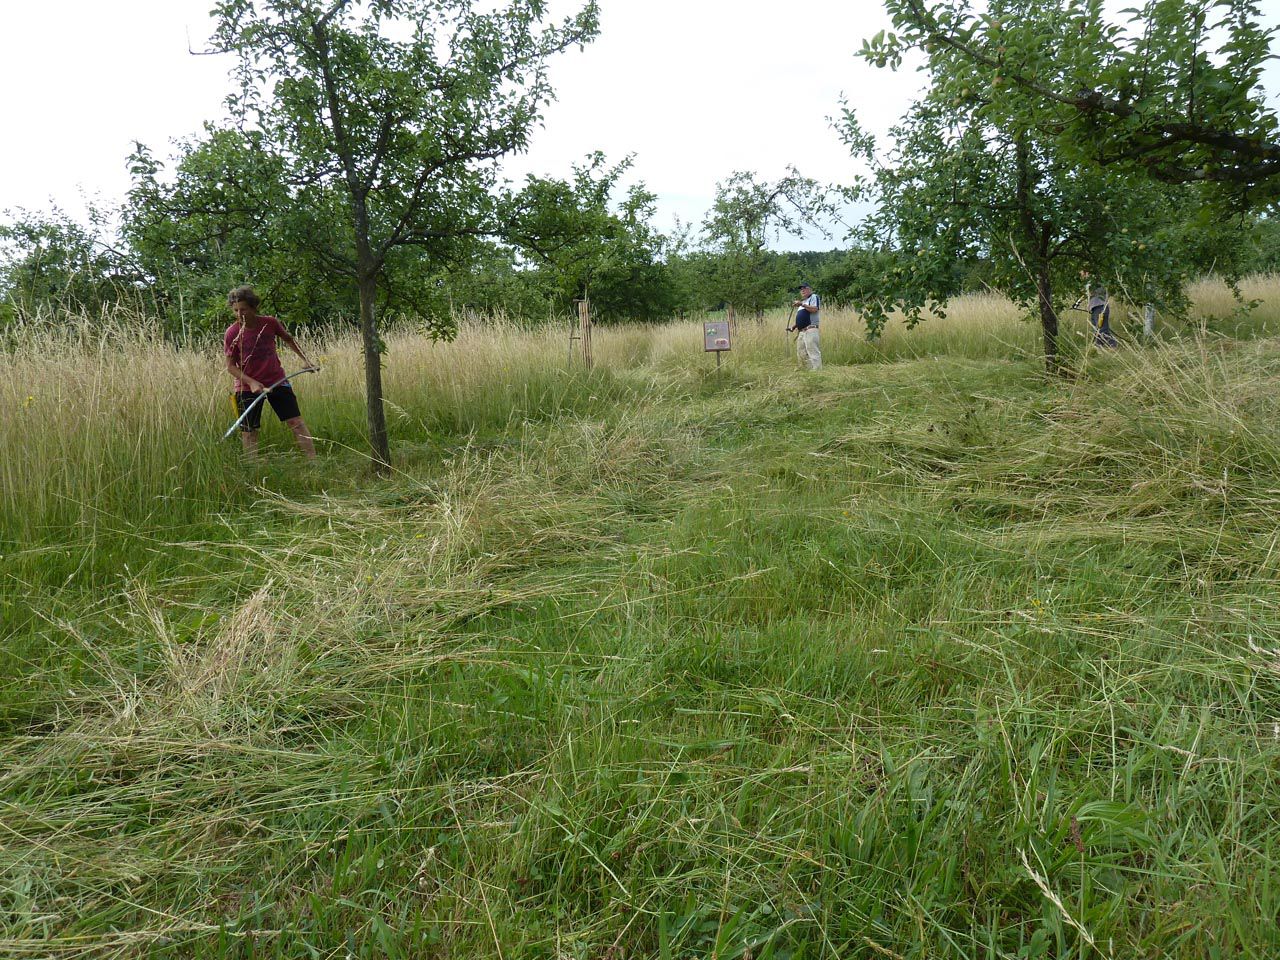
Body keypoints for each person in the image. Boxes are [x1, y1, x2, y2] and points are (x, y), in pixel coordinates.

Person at [223, 286, 317, 460]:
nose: (239, 314)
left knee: (296, 422)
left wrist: (305, 360)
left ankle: (313, 461)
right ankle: (253, 470)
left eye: (243, 309)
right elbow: (230, 367)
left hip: (276, 380)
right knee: (249, 431)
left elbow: (288, 339)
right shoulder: (232, 333)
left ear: (253, 307)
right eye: (235, 310)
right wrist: (251, 382)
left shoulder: (270, 323)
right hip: (246, 387)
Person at [1080, 271, 1118, 347]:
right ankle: (1098, 347)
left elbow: (1097, 292)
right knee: (1097, 330)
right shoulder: (1089, 282)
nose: (1081, 275)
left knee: (1102, 330)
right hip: (1094, 308)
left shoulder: (1095, 282)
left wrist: (1089, 291)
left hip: (1100, 307)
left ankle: (1113, 345)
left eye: (1083, 273)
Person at [789, 282, 822, 370]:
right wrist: (794, 327)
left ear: (810, 289)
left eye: (804, 288)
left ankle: (817, 371)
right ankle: (805, 370)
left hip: (811, 329)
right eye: (801, 289)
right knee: (801, 352)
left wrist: (801, 304)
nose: (802, 290)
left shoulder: (814, 297)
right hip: (801, 331)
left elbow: (815, 309)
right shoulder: (803, 302)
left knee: (812, 351)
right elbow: (802, 317)